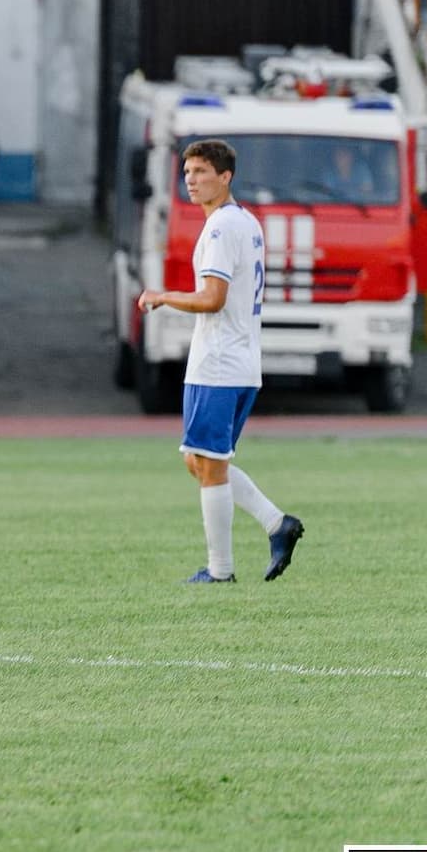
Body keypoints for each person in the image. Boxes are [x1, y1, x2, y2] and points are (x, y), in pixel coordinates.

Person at [138, 139, 303, 584]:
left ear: (225, 176)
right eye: (187, 173)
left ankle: (221, 571)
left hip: (219, 362)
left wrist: (162, 296)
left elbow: (213, 298)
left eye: (201, 172)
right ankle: (276, 523)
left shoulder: (221, 228)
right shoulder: (245, 221)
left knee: (208, 463)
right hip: (238, 360)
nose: (191, 181)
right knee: (199, 460)